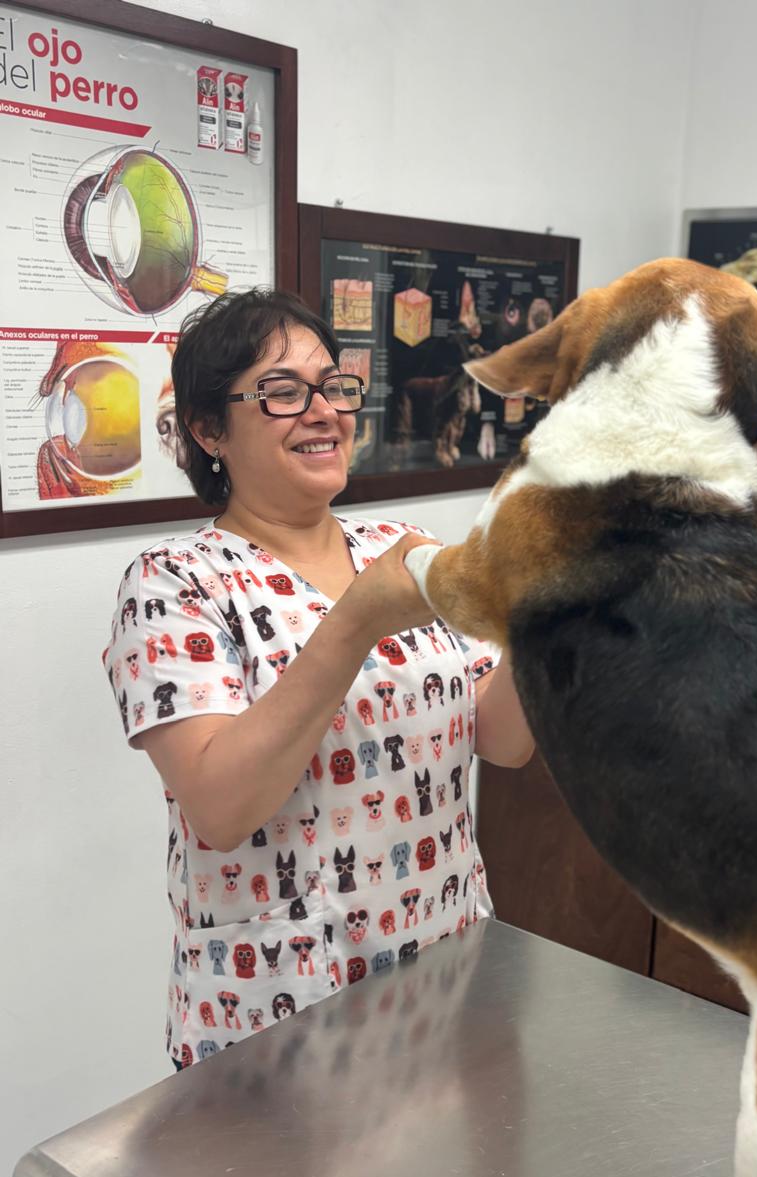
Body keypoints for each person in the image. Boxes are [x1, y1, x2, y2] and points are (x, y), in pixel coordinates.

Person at [103, 289, 534, 1069]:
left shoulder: (404, 552)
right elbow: (222, 808)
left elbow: (501, 741)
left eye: (334, 386)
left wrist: (550, 611)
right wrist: (356, 621)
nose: (324, 411)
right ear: (208, 430)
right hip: (280, 1018)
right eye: (281, 392)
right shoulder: (175, 583)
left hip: (443, 977)